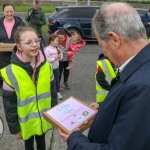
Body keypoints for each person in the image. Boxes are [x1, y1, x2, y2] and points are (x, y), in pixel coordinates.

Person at [58, 2, 150, 150]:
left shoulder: (142, 88)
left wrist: (74, 140)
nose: (104, 52)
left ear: (114, 39)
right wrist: (104, 107)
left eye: (102, 45)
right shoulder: (142, 68)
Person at [0, 27, 57, 150]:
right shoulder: (11, 72)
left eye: (36, 41)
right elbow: (9, 105)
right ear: (19, 47)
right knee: (29, 146)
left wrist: (55, 114)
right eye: (29, 42)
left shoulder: (47, 66)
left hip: (43, 118)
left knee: (42, 143)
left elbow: (53, 93)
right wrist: (15, 128)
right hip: (25, 124)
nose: (35, 45)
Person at [0, 2, 25, 85]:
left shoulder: (21, 24)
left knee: (16, 77)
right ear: (3, 12)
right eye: (7, 12)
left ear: (14, 11)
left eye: (11, 11)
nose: (9, 14)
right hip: (2, 57)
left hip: (17, 55)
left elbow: (25, 37)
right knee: (4, 78)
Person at [44, 34, 63, 100]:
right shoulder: (47, 50)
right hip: (49, 69)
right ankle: (49, 93)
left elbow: (61, 56)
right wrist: (54, 58)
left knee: (57, 81)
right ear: (51, 41)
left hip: (56, 68)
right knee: (50, 81)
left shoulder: (57, 48)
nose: (58, 42)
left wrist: (60, 56)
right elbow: (46, 60)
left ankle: (57, 92)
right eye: (57, 40)